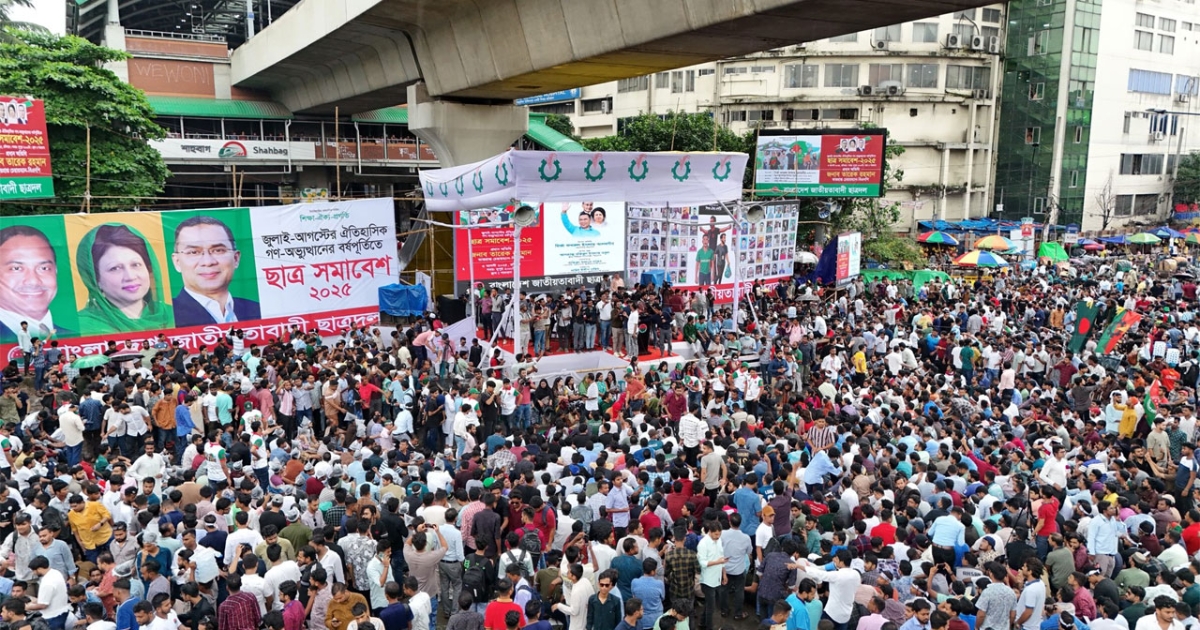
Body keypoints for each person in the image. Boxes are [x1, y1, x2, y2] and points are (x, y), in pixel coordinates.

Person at [75, 224, 172, 333]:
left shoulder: (175, 314)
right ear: (95, 280)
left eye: (136, 264)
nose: (130, 277)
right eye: (115, 268)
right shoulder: (81, 326)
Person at [170, 216, 261, 326]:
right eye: (193, 252)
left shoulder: (258, 310)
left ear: (236, 258)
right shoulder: (167, 317)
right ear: (177, 262)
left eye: (218, 250)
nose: (208, 262)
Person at [0, 225, 71, 343]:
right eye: (16, 268)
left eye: (44, 268)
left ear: (56, 271)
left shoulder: (76, 336)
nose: (33, 281)